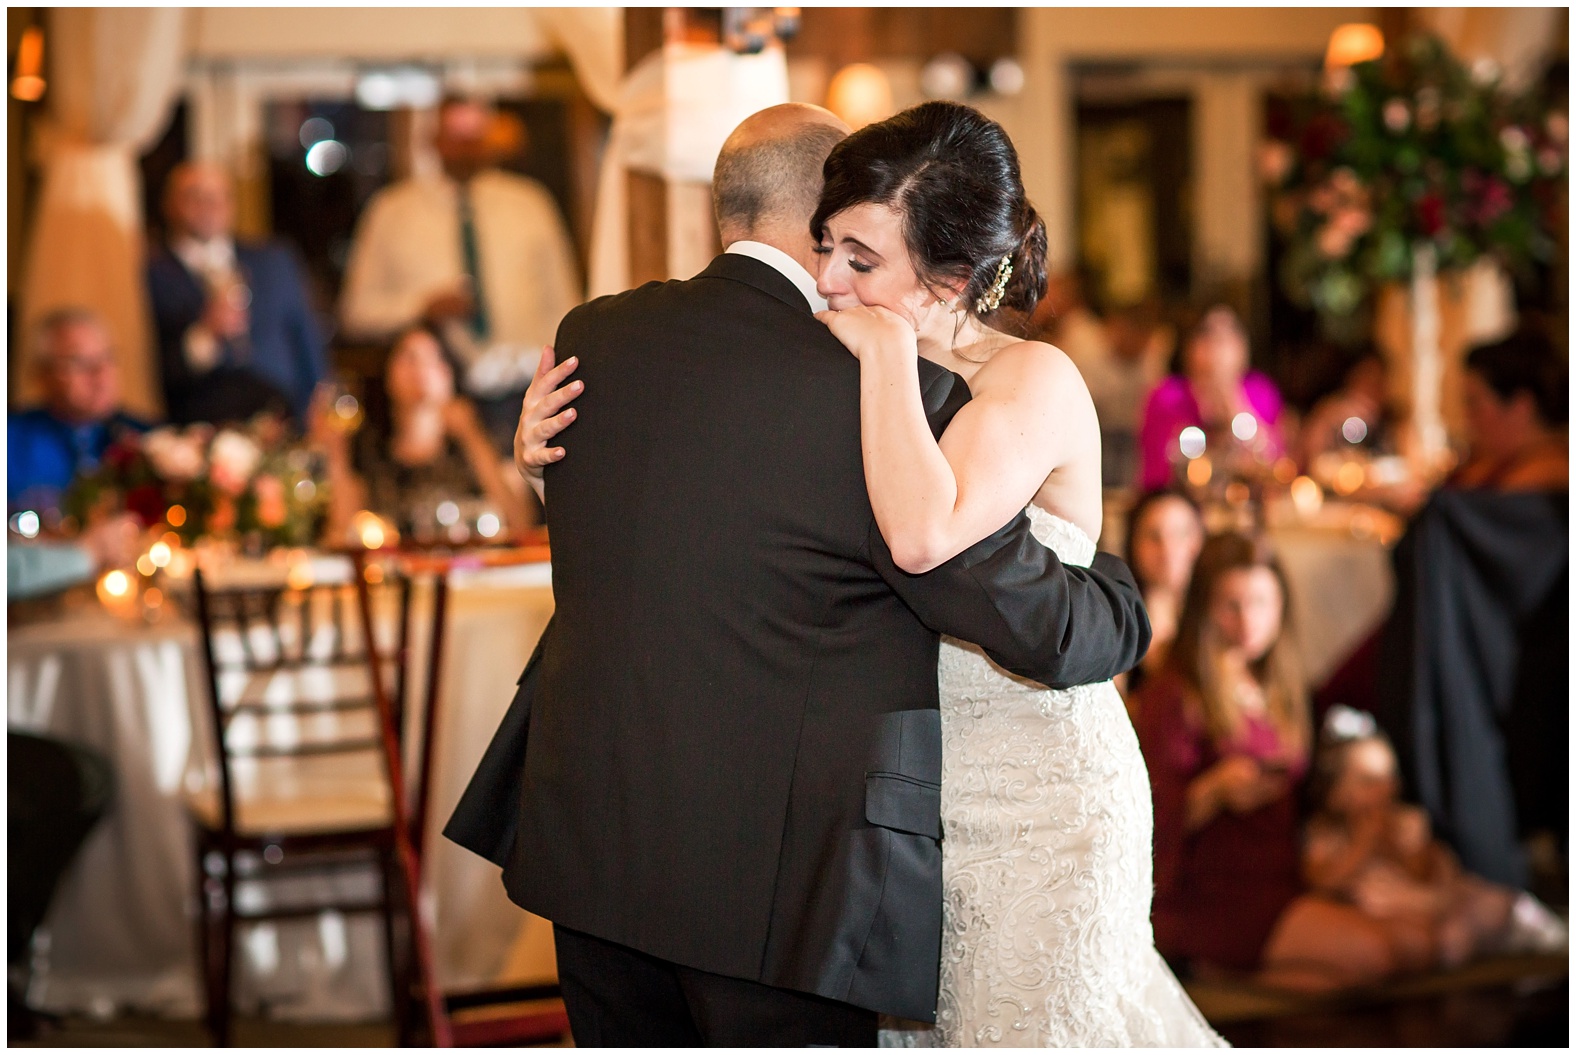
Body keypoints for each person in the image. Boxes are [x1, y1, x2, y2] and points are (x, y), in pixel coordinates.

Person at [446, 103, 1152, 1046]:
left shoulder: (597, 338)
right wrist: (1119, 600)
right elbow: (1029, 618)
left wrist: (539, 473)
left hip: (599, 846)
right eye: (834, 245)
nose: (832, 276)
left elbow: (689, 531)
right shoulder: (877, 393)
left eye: (859, 254)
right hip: (777, 881)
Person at [1136, 533, 1399, 993]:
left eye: (1261, 603)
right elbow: (1145, 821)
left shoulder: (1278, 684)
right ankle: (1214, 983)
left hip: (1279, 878)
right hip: (1213, 894)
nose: (1248, 622)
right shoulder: (1176, 692)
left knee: (1414, 946)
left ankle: (1227, 988)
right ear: (1203, 609)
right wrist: (1215, 791)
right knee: (1373, 958)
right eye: (1231, 605)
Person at [338, 96, 580, 447]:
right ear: (433, 139)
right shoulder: (391, 212)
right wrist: (421, 307)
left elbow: (566, 304)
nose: (465, 147)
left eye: (474, 135)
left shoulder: (531, 205)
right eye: (455, 134)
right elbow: (356, 312)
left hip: (529, 392)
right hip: (440, 401)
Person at [1304, 706, 1567, 971]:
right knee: (1453, 940)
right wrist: (1364, 843)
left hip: (1428, 905)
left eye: (1391, 776)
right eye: (1368, 780)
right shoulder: (1325, 833)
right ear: (1335, 791)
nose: (1386, 789)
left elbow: (1432, 874)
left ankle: (1541, 939)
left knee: (1492, 903)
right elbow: (1321, 882)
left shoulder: (1400, 824)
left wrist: (1418, 850)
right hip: (1392, 923)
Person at [146, 162, 327, 427]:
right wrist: (205, 334)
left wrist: (322, 413)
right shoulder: (153, 276)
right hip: (203, 431)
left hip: (286, 423)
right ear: (169, 204)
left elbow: (306, 342)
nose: (209, 205)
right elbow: (153, 369)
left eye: (219, 195)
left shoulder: (275, 261)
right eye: (194, 195)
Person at [317, 327, 530, 544]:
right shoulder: (369, 454)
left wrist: (472, 436)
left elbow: (520, 523)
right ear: (388, 374)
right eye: (409, 358)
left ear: (449, 374)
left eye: (434, 358)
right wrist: (335, 452)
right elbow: (342, 534)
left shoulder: (484, 441)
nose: (421, 367)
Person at [8, 309, 150, 517]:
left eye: (107, 357)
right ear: (42, 374)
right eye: (79, 362)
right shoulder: (12, 441)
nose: (101, 374)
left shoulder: (148, 439)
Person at [1137, 303, 1285, 490]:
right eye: (1207, 336)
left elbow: (1273, 461)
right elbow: (1159, 471)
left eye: (1227, 336)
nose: (1217, 348)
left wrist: (1235, 406)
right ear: (1189, 346)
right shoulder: (1167, 397)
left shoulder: (1260, 392)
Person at [1122, 489, 1206, 697]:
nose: (1167, 549)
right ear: (1133, 544)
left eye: (1180, 534)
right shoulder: (1119, 619)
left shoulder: (1217, 611)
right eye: (1153, 536)